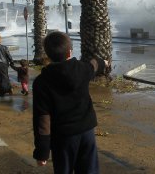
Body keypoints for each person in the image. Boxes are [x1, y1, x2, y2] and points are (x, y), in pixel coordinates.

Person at [33, 31, 108, 174]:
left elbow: (42, 119)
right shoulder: (82, 69)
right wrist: (103, 62)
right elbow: (94, 65)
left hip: (63, 137)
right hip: (87, 132)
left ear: (48, 55)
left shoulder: (41, 82)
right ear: (70, 52)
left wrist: (42, 151)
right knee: (90, 170)